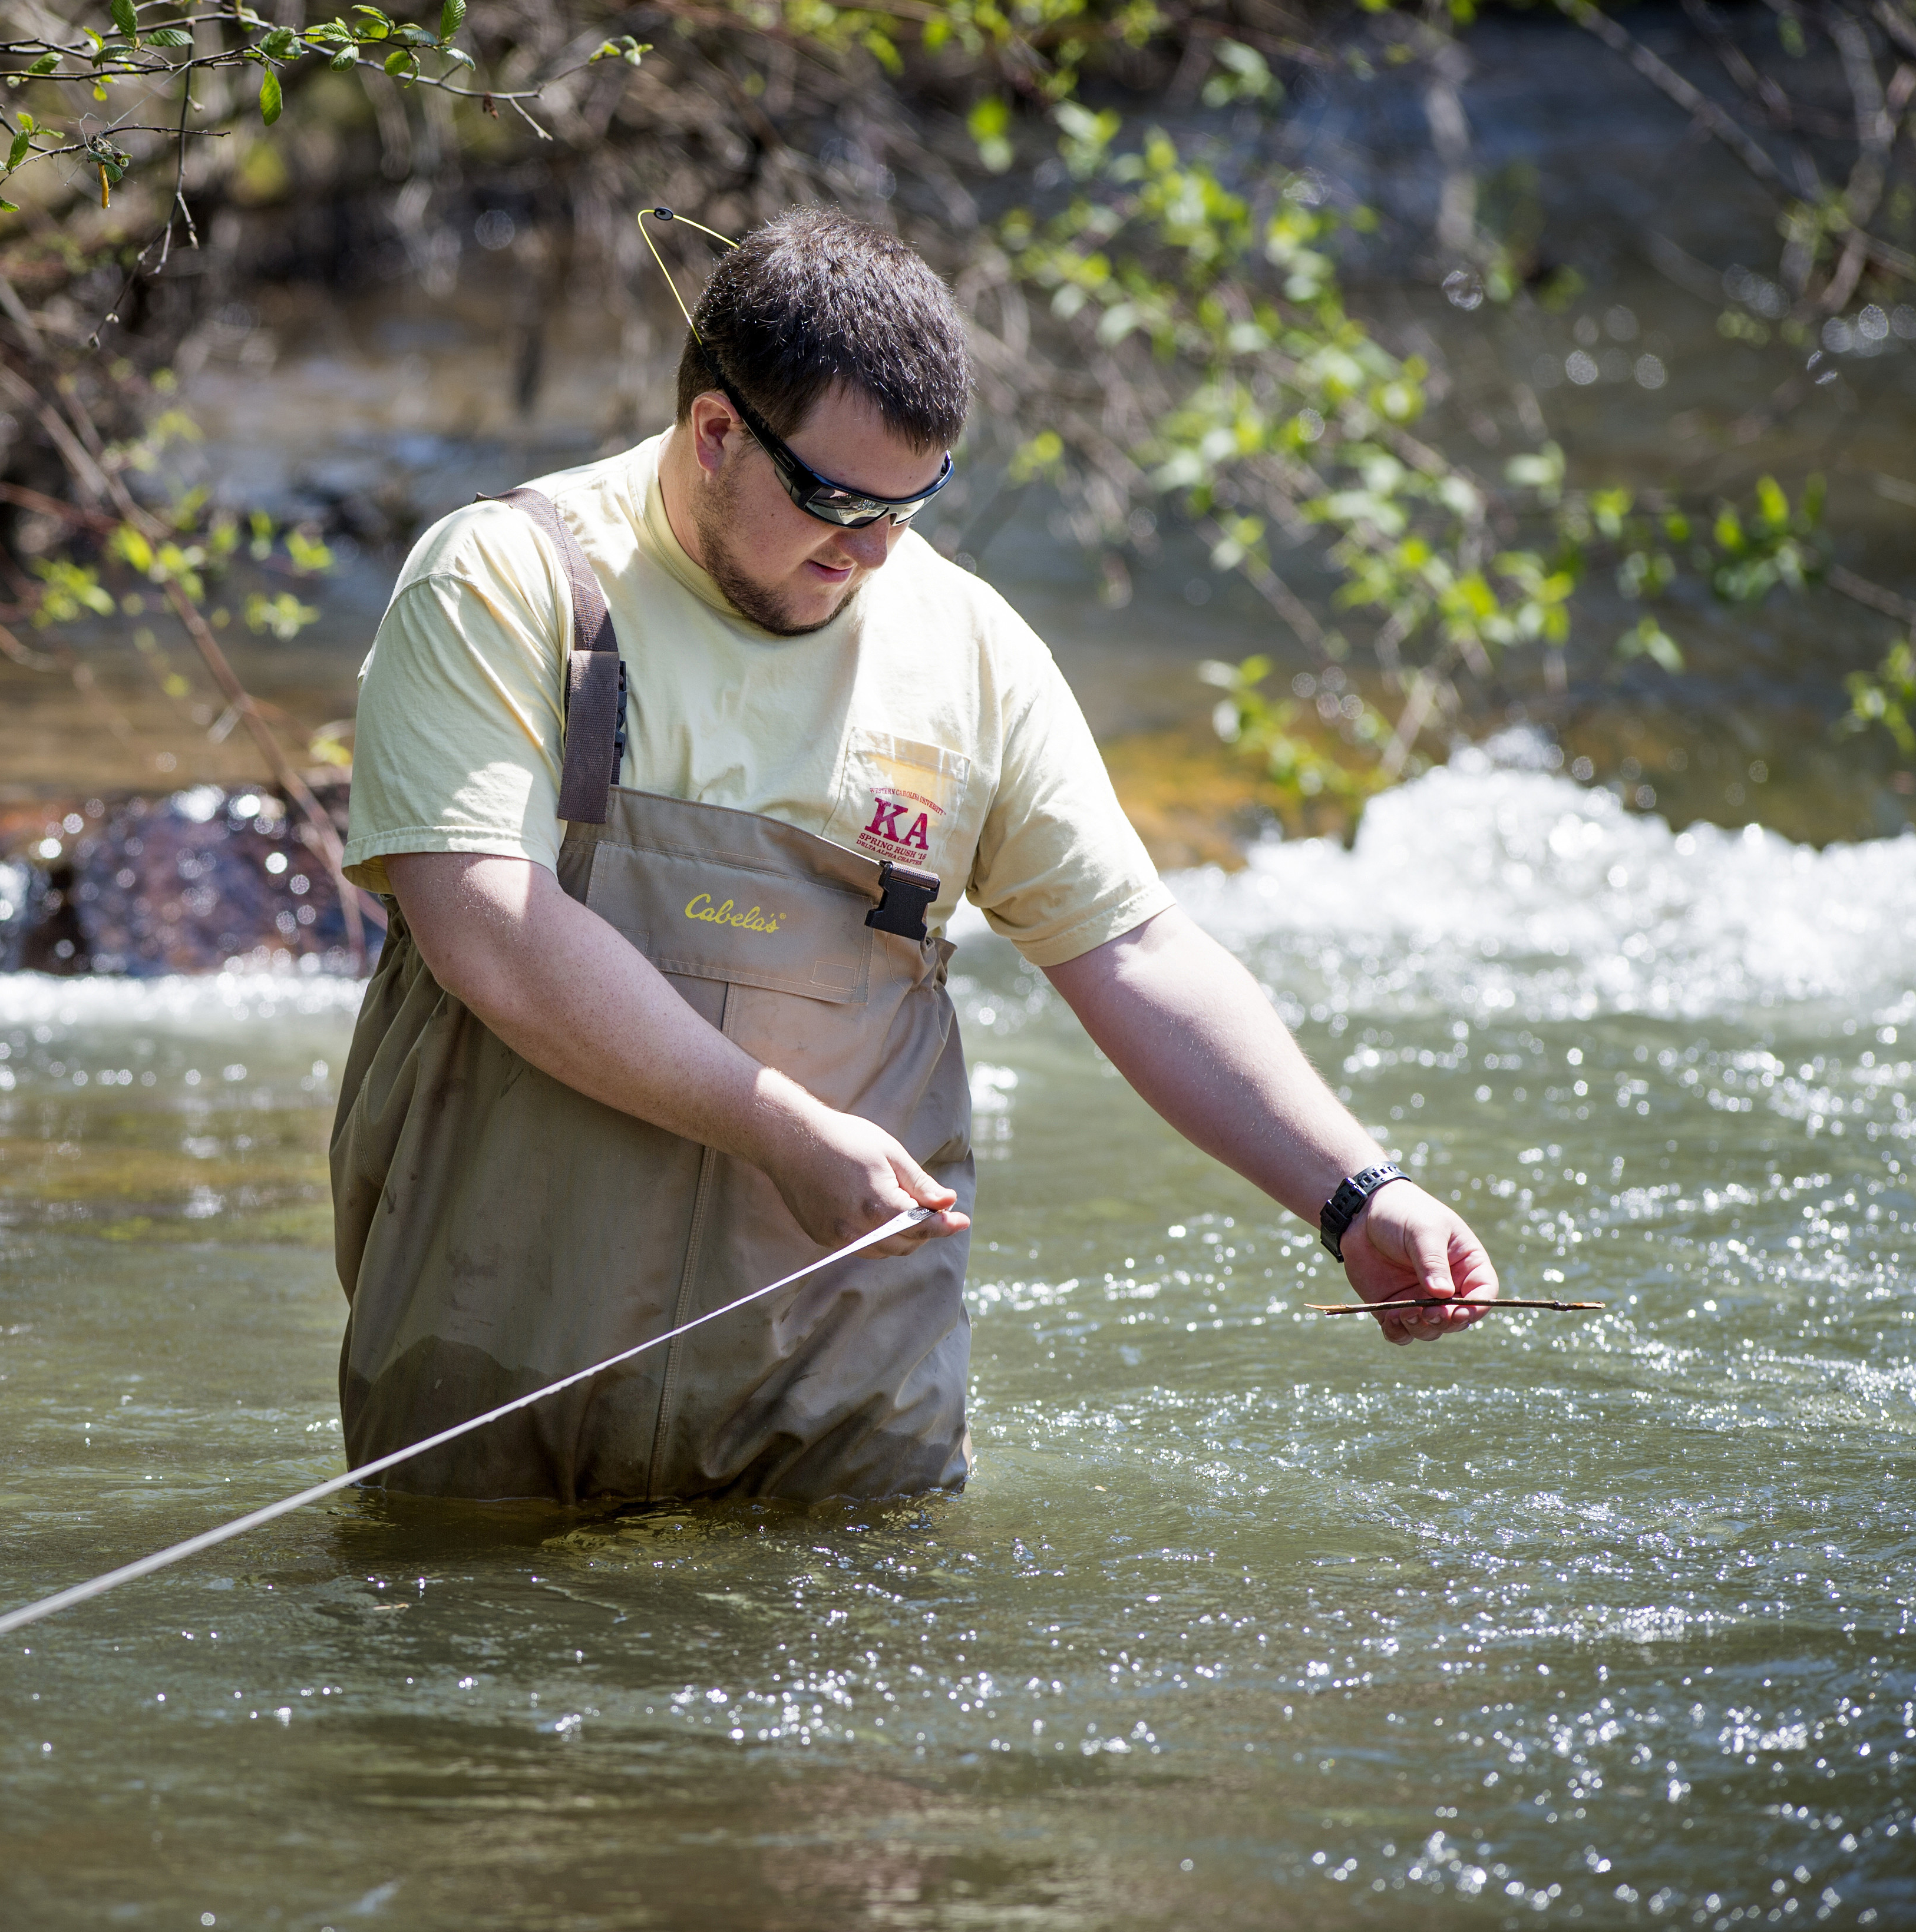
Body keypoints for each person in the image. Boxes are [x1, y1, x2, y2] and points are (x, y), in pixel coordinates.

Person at [327, 206, 1498, 1503]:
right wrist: (780, 1129)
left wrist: (1354, 1192)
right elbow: (488, 924)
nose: (875, 550)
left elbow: (1133, 951)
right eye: (835, 500)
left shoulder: (967, 647)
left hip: (837, 1398)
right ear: (716, 432)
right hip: (494, 1362)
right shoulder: (505, 578)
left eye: (912, 503)